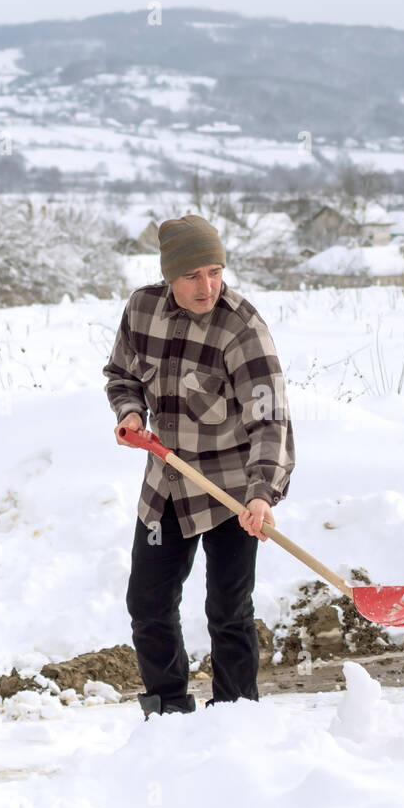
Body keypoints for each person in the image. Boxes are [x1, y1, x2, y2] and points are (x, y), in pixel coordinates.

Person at [103, 213, 295, 717]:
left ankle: (235, 718)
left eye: (215, 271)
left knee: (229, 612)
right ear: (169, 274)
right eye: (192, 275)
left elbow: (269, 419)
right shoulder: (142, 310)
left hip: (232, 492)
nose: (207, 286)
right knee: (148, 605)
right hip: (166, 485)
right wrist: (129, 411)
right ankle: (167, 713)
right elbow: (121, 374)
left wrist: (261, 494)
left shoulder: (242, 327)